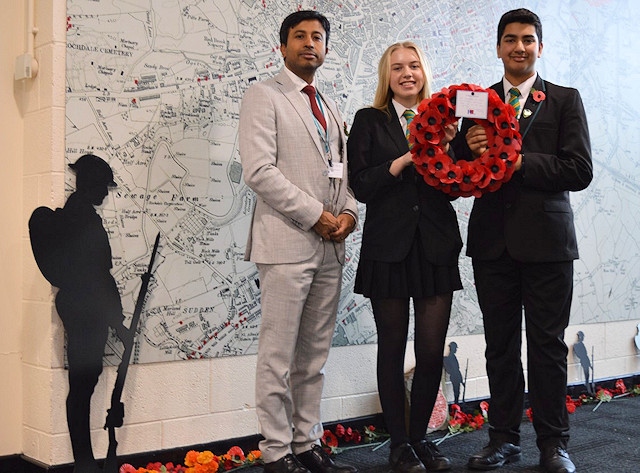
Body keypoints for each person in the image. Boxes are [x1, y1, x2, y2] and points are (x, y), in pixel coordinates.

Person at [452, 9, 593, 473]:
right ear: (497, 47)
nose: (519, 47)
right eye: (510, 39)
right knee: (500, 347)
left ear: (539, 47)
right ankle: (503, 439)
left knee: (547, 346)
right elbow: (455, 174)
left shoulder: (564, 100)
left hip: (549, 245)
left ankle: (554, 445)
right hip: (493, 245)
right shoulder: (476, 101)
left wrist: (520, 164)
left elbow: (579, 170)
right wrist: (467, 151)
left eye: (528, 40)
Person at [238, 10, 359, 473]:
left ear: (326, 48)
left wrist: (347, 212)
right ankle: (275, 452)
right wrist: (317, 216)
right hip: (287, 245)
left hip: (330, 246)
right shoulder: (263, 95)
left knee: (314, 356)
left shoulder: (328, 105)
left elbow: (342, 171)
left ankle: (306, 445)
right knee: (278, 356)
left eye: (318, 37)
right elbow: (259, 171)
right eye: (300, 36)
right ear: (282, 46)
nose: (310, 43)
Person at [347, 42, 462, 473]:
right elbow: (360, 185)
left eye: (414, 66)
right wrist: (401, 162)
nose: (407, 73)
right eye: (397, 68)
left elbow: (456, 185)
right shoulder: (369, 120)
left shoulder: (444, 120)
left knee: (431, 353)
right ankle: (399, 444)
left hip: (434, 246)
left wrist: (448, 151)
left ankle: (421, 440)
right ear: (387, 76)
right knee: (391, 349)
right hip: (389, 249)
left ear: (423, 72)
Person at [33, 154, 128, 473]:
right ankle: (84, 462)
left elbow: (101, 276)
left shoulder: (81, 215)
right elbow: (100, 275)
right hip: (86, 308)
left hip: (87, 307)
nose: (105, 192)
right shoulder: (80, 219)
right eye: (102, 186)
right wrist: (118, 322)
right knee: (83, 385)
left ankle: (84, 461)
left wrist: (117, 321)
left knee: (84, 383)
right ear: (88, 184)